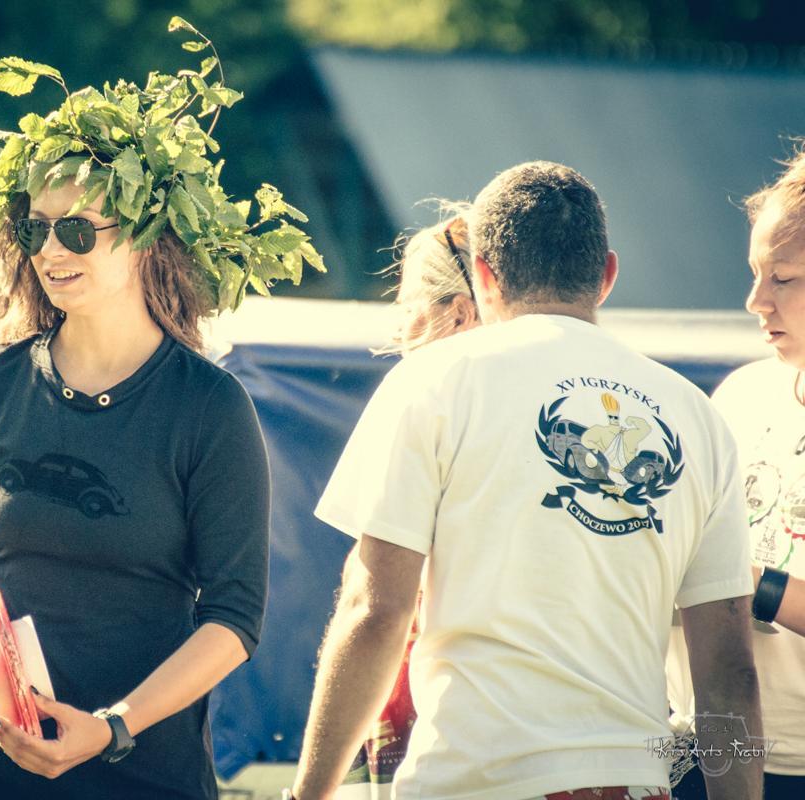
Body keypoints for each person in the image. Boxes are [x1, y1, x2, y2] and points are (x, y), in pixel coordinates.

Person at [0, 29, 329, 797]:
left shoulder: (209, 407)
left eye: (76, 230)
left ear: (144, 237)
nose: (49, 250)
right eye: (35, 228)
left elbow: (233, 619)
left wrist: (112, 728)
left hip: (143, 774)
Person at [291, 161, 762, 800]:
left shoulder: (434, 380)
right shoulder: (696, 416)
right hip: (633, 782)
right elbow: (729, 669)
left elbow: (375, 612)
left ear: (484, 274)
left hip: (474, 781)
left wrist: (308, 794)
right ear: (607, 275)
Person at [667, 142, 805, 800]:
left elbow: (729, 577)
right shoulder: (740, 395)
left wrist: (744, 585)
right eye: (754, 274)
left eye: (784, 278)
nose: (756, 300)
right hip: (700, 751)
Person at [340, 213, 478, 799]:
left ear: (459, 313)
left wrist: (310, 789)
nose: (400, 327)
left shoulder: (424, 394)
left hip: (437, 732)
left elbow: (372, 610)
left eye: (409, 306)